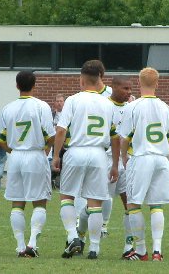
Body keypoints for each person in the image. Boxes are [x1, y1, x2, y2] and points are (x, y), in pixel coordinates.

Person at [52, 60, 119, 260]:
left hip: (76, 151)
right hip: (99, 154)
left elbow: (61, 129)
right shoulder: (109, 103)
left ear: (81, 79)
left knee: (66, 197)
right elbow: (116, 137)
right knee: (95, 202)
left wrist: (56, 155)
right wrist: (115, 163)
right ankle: (94, 248)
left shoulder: (73, 100)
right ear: (99, 79)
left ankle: (73, 236)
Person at [119, 67, 169, 262]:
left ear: (138, 82)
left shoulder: (133, 106)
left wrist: (123, 158)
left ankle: (141, 250)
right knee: (156, 204)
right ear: (157, 83)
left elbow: (124, 138)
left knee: (134, 203)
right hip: (161, 159)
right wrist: (166, 157)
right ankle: (157, 251)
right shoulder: (165, 107)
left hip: (142, 157)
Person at [0, 71, 55, 258]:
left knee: (17, 203)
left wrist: (12, 150)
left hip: (16, 157)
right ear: (34, 85)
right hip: (35, 155)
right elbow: (51, 135)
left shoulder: (8, 108)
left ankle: (20, 246)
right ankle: (32, 243)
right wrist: (46, 149)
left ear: (17, 86)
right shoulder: (41, 106)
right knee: (39, 202)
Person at [77, 76, 133, 258]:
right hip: (105, 161)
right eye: (125, 88)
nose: (129, 92)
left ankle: (128, 246)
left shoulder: (133, 108)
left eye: (130, 89)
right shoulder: (103, 105)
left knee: (130, 204)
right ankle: (82, 236)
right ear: (114, 87)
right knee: (94, 204)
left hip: (127, 162)